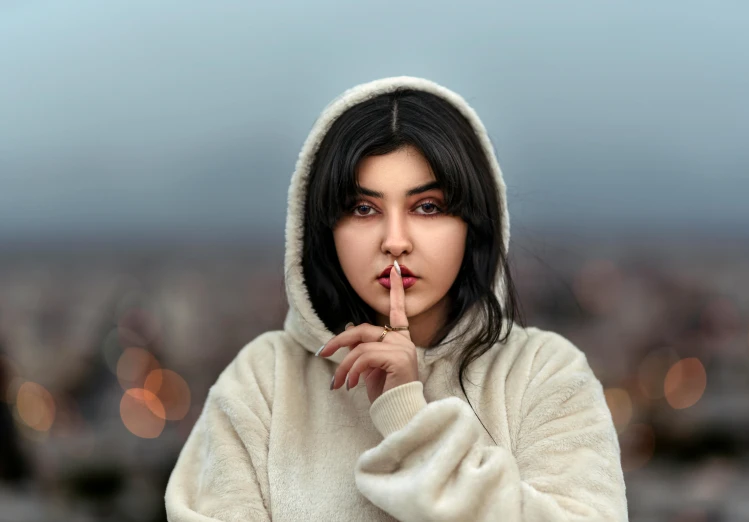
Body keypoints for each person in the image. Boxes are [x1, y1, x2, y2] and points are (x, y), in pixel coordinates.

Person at [165, 76, 628, 521]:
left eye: (427, 207)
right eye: (363, 209)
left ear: (474, 222)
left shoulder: (543, 374)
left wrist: (410, 418)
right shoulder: (262, 383)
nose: (395, 240)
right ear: (325, 230)